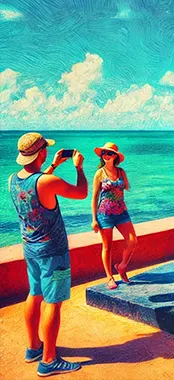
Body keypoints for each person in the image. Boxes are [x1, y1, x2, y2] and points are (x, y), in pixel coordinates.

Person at [9, 132, 88, 377]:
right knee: (52, 302)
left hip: (30, 248)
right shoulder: (45, 182)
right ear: (40, 152)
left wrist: (53, 165)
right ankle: (49, 360)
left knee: (34, 294)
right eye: (45, 150)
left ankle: (33, 347)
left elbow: (40, 184)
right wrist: (79, 168)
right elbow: (81, 192)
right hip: (53, 252)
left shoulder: (13, 179)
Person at [91, 142, 137, 290]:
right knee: (107, 247)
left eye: (110, 153)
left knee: (132, 241)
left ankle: (122, 266)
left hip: (122, 212)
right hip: (104, 214)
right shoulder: (99, 173)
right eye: (104, 153)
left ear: (115, 156)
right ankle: (109, 277)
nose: (106, 155)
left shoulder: (121, 171)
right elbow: (94, 197)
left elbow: (127, 187)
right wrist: (94, 219)